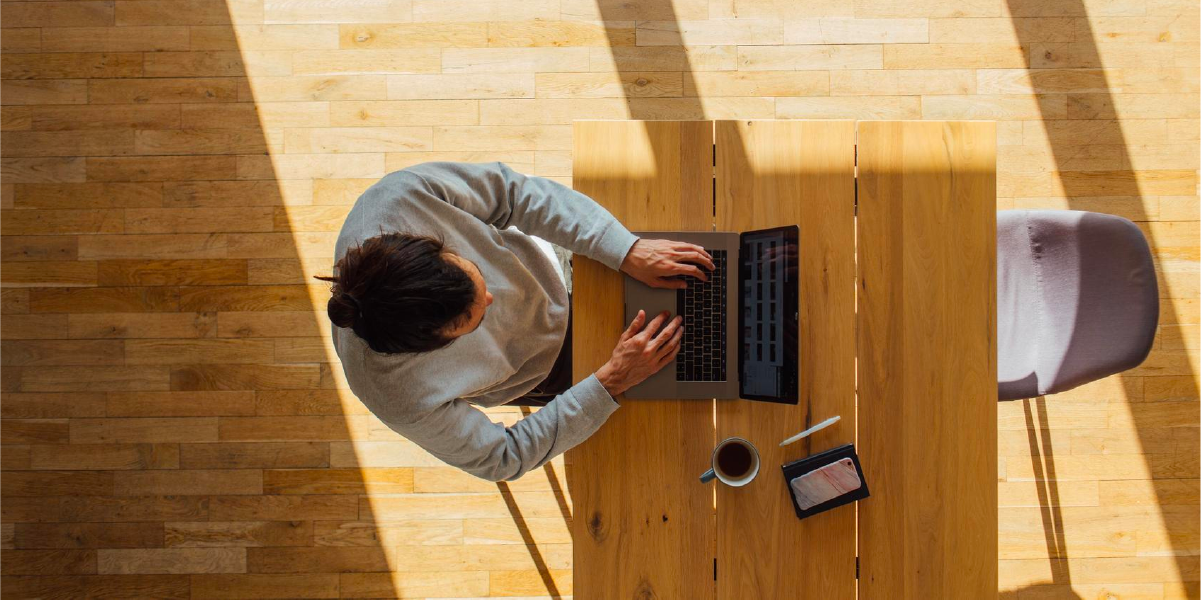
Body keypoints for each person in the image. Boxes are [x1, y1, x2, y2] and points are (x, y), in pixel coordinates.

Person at [317, 162, 714, 482]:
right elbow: (502, 458)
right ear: (433, 346)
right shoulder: (394, 394)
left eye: (477, 274)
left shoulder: (402, 198)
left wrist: (625, 249)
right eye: (477, 319)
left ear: (433, 245)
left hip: (565, 267)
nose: (493, 297)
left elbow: (514, 195)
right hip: (550, 370)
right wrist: (610, 382)